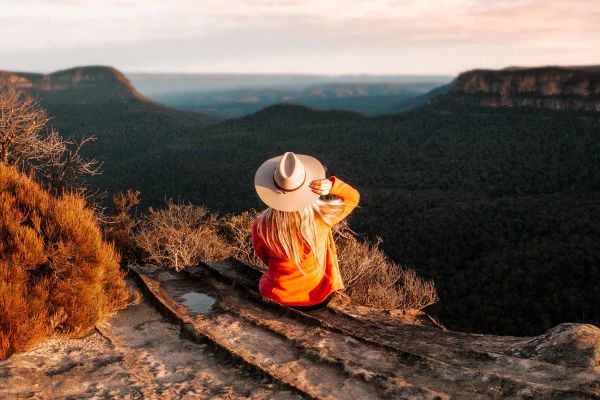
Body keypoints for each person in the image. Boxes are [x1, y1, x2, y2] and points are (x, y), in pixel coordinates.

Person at [252, 151, 360, 310]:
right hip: (316, 298)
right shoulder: (322, 218)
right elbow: (353, 197)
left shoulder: (260, 225)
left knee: (265, 278)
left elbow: (265, 258)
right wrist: (331, 186)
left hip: (276, 296)